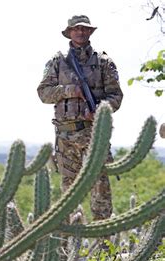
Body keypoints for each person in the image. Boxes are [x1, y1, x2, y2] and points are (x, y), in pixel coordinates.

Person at [37, 15, 123, 221]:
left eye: (84, 29)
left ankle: (103, 247)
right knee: (68, 196)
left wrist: (100, 110)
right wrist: (69, 90)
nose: (80, 32)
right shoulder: (57, 61)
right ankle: (67, 247)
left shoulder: (104, 62)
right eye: (76, 29)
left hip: (94, 136)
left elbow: (116, 96)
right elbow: (43, 93)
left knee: (100, 194)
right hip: (65, 137)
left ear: (90, 32)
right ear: (69, 32)